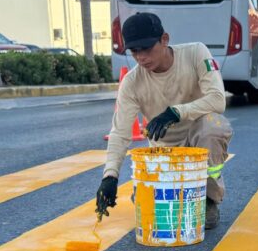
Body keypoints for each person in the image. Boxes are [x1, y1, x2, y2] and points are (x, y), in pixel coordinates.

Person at [95, 12, 233, 228]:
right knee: (155, 213)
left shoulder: (196, 53)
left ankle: (207, 199)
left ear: (165, 39)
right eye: (134, 51)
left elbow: (217, 100)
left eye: (147, 48)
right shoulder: (132, 83)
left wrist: (176, 112)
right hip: (165, 154)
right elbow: (120, 133)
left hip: (199, 141)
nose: (141, 57)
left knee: (214, 126)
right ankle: (162, 188)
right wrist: (110, 176)